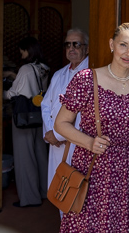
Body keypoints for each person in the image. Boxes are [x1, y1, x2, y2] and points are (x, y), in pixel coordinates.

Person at [54, 23, 129, 232]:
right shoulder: (86, 80)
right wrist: (89, 142)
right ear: (112, 45)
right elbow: (60, 124)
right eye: (123, 45)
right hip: (92, 172)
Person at [41, 28, 89, 217]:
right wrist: (51, 133)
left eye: (76, 44)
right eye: (68, 44)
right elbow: (46, 105)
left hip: (77, 145)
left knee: (76, 195)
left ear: (85, 47)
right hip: (56, 144)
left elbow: (85, 114)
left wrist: (60, 133)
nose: (71, 48)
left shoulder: (90, 73)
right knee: (60, 192)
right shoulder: (59, 74)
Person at [4, 36, 50, 207]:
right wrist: (14, 75)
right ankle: (45, 191)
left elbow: (14, 93)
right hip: (38, 116)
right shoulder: (44, 68)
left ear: (28, 50)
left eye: (22, 49)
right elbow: (32, 86)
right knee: (40, 154)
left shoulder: (25, 69)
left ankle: (29, 198)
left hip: (23, 117)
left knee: (25, 157)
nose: (20, 53)